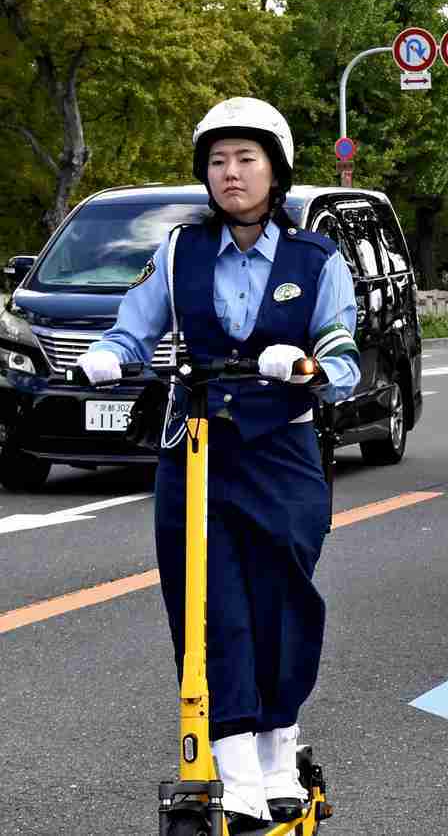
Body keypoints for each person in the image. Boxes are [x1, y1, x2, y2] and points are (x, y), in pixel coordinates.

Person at [75, 97, 360, 832]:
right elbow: (136, 325)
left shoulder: (315, 260)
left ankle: (277, 753)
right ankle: (234, 771)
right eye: (217, 161)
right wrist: (111, 354)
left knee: (284, 601)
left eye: (246, 159)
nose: (231, 174)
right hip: (195, 449)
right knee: (209, 610)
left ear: (276, 169)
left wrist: (304, 364)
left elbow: (343, 353)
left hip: (283, 453)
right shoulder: (180, 251)